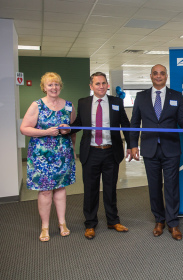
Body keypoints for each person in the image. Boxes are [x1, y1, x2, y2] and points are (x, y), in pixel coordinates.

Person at [130, 64, 183, 241]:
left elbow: (182, 119)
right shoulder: (141, 97)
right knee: (154, 186)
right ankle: (159, 220)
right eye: (155, 73)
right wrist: (133, 144)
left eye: (162, 73)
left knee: (172, 187)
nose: (159, 76)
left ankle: (173, 223)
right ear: (150, 76)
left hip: (170, 149)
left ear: (166, 76)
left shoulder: (176, 96)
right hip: (149, 149)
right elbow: (135, 123)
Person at [67, 72, 131, 240]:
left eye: (103, 83)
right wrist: (66, 129)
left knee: (110, 189)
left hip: (111, 151)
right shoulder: (83, 102)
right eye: (97, 84)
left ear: (107, 84)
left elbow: (125, 124)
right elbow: (79, 123)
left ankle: (113, 220)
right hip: (91, 152)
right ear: (91, 86)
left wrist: (131, 145)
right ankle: (90, 224)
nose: (101, 86)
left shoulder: (116, 102)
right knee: (90, 190)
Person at [20, 72, 76, 242]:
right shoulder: (37, 105)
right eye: (50, 85)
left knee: (60, 188)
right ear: (44, 87)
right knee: (45, 192)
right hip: (41, 157)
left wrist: (69, 131)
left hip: (62, 155)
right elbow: (24, 128)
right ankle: (45, 227)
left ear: (61, 86)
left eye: (57, 84)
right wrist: (45, 132)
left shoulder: (68, 105)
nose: (54, 88)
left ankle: (62, 223)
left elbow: (74, 127)